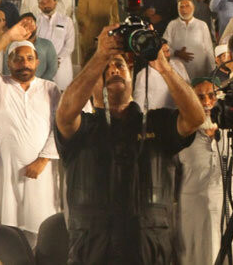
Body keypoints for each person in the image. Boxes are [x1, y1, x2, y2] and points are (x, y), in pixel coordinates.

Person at [54, 23, 206, 264]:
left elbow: (196, 118)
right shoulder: (83, 128)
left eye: (119, 64)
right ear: (92, 81)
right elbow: (64, 113)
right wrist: (100, 55)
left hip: (150, 253)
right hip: (93, 253)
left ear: (131, 73)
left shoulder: (157, 123)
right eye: (105, 68)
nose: (113, 70)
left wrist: (163, 66)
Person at [0, 16, 60, 247]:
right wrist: (9, 36)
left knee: (42, 233)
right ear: (8, 63)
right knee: (7, 236)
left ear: (38, 62)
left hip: (41, 175)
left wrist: (43, 159)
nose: (24, 63)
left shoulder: (50, 89)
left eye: (29, 58)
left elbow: (58, 126)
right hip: (5, 172)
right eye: (17, 59)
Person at [175, 77, 233, 265]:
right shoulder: (182, 136)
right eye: (200, 97)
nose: (207, 103)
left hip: (231, 219)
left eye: (212, 96)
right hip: (193, 222)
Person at [162, 0, 214, 82]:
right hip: (178, 72)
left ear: (193, 8)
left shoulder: (202, 25)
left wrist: (212, 71)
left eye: (187, 6)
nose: (184, 10)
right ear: (178, 9)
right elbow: (164, 46)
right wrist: (176, 53)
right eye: (181, 7)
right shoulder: (172, 25)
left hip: (199, 71)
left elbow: (209, 50)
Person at [74, 0, 119, 64]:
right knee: (87, 63)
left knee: (106, 63)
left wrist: (112, 33)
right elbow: (81, 15)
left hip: (106, 35)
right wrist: (88, 30)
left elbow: (115, 17)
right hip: (88, 35)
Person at [35, 0, 76, 89]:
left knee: (62, 91)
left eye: (48, 1)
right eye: (42, 3)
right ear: (39, 6)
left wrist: (57, 60)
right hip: (41, 64)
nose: (46, 5)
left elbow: (69, 45)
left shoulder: (66, 20)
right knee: (42, 91)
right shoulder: (36, 21)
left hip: (61, 65)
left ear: (55, 3)